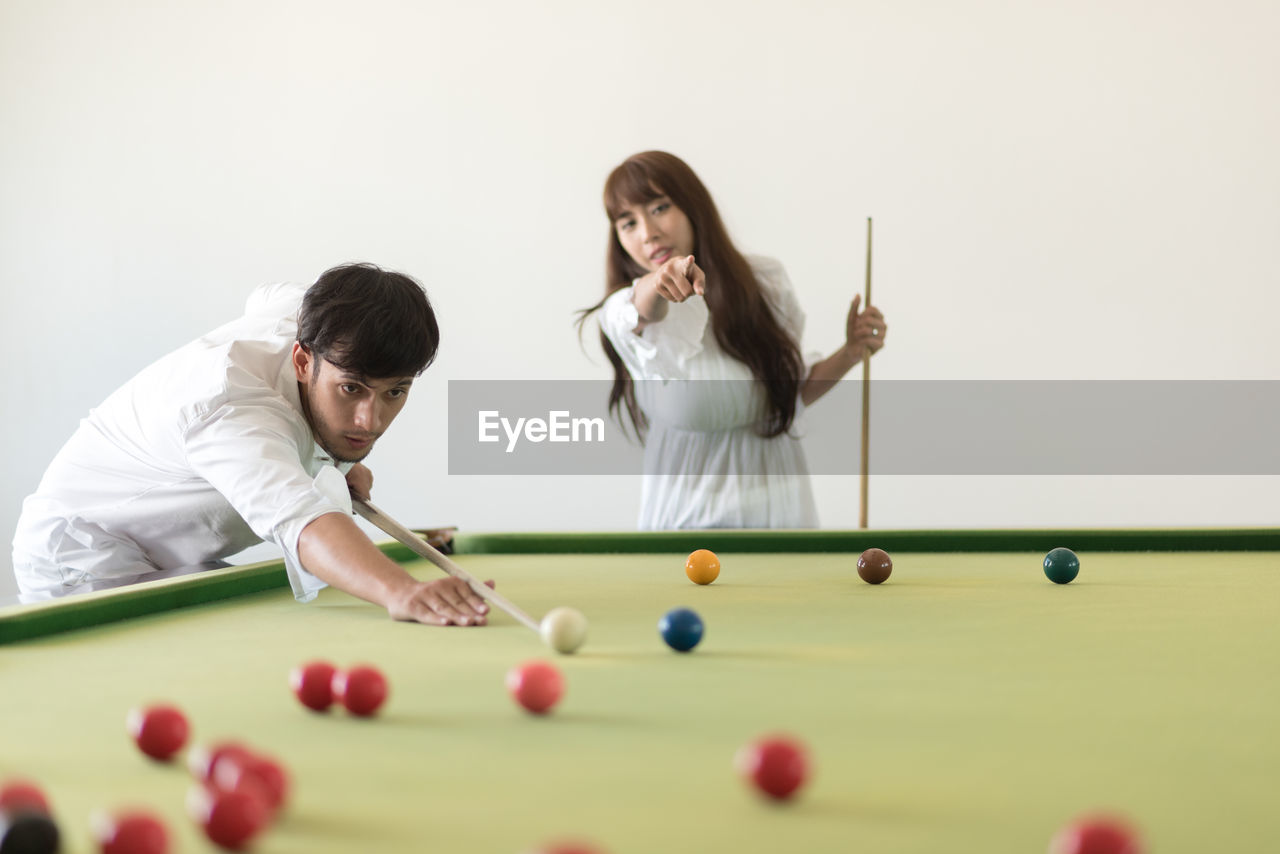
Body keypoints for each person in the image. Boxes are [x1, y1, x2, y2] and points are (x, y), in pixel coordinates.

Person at [12, 263, 490, 626]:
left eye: (395, 392)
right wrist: (402, 592)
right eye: (351, 389)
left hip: (169, 555)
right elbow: (300, 519)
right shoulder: (234, 406)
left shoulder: (305, 316)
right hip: (81, 559)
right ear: (303, 361)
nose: (371, 419)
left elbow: (270, 294)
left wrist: (331, 462)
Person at [581, 151, 888, 529]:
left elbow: (785, 396)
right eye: (627, 223)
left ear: (694, 207)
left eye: (660, 207)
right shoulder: (623, 309)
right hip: (686, 523)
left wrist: (851, 353)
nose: (647, 233)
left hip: (779, 514)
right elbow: (643, 308)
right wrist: (660, 280)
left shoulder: (764, 281)